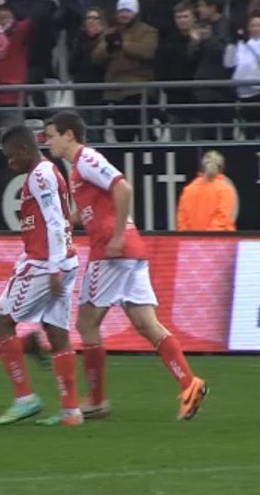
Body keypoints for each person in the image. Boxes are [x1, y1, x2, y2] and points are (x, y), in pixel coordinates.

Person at [44, 110, 208, 422]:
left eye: (50, 135)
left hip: (111, 250)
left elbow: (123, 187)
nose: (47, 141)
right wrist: (63, 220)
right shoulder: (78, 168)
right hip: (129, 251)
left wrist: (117, 235)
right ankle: (189, 384)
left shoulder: (86, 159)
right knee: (147, 325)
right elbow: (90, 210)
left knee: (86, 324)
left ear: (69, 136)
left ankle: (96, 400)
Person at [0, 125, 82, 426]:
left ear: (26, 151)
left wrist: (53, 266)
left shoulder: (40, 175)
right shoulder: (47, 172)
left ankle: (24, 398)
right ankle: (70, 410)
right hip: (64, 260)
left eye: (11, 156)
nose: (9, 162)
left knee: (2, 324)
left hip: (46, 263)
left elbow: (56, 220)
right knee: (56, 332)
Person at [176, 150, 238, 232]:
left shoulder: (188, 189)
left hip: (191, 242)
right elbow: (222, 219)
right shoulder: (225, 189)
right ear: (222, 167)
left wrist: (190, 239)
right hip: (219, 241)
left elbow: (182, 220)